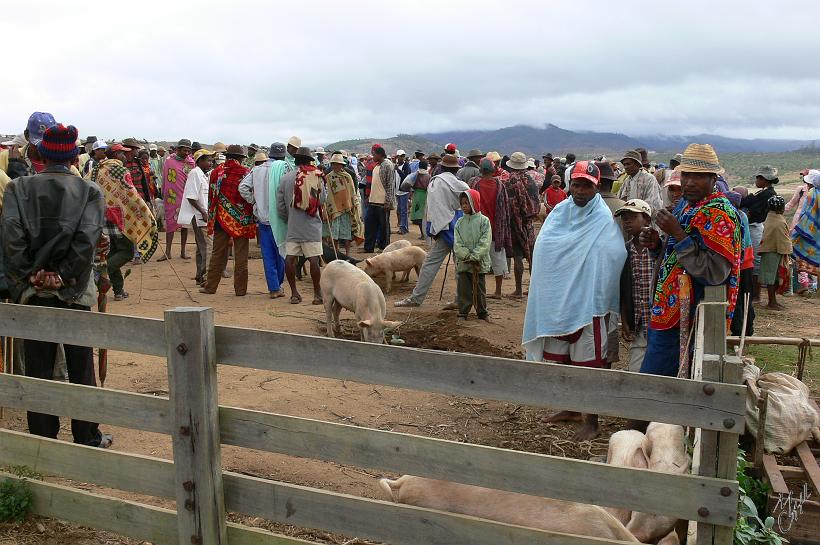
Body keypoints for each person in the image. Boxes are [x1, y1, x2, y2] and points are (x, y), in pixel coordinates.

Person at [1, 123, 113, 448]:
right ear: (75, 155)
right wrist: (64, 276)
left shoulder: (18, 189)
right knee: (81, 365)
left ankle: (43, 437)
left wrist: (30, 277)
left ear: (40, 153)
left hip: (33, 292)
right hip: (76, 290)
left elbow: (12, 239)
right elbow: (86, 240)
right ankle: (87, 436)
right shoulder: (90, 191)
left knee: (38, 366)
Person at [522, 160, 626, 440]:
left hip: (590, 304)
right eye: (576, 185)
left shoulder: (603, 219)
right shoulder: (559, 214)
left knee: (590, 365)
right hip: (558, 301)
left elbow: (613, 256)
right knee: (565, 360)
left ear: (596, 188)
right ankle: (569, 407)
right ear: (570, 185)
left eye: (587, 186)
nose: (580, 191)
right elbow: (545, 251)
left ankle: (592, 420)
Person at [639, 144, 741, 378]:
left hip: (691, 318)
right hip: (668, 309)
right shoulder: (687, 205)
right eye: (686, 175)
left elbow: (715, 272)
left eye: (699, 176)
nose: (690, 182)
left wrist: (678, 235)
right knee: (660, 377)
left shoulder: (719, 213)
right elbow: (675, 258)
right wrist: (656, 244)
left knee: (660, 379)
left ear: (714, 178)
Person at [395, 154, 469, 308]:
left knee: (430, 264)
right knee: (460, 266)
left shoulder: (436, 183)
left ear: (442, 167)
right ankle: (460, 300)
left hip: (443, 228)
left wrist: (434, 228)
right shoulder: (461, 185)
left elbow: (433, 208)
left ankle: (416, 298)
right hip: (460, 228)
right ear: (456, 169)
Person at [90, 143, 160, 300]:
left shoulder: (96, 170)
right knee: (127, 252)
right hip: (120, 219)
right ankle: (100, 272)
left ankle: (118, 290)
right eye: (122, 153)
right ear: (116, 155)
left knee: (114, 252)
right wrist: (145, 213)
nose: (125, 156)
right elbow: (131, 195)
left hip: (102, 218)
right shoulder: (120, 170)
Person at [201, 145, 256, 296]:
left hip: (221, 219)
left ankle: (210, 287)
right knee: (241, 256)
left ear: (226, 156)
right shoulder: (246, 172)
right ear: (240, 158)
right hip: (242, 220)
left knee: (217, 253)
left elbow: (212, 197)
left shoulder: (217, 172)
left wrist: (212, 216)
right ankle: (240, 290)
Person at [276, 146, 327, 305]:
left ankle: (294, 294)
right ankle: (317, 294)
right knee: (313, 260)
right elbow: (322, 200)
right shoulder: (317, 177)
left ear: (296, 160)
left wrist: (288, 219)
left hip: (293, 225)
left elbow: (280, 206)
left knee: (290, 259)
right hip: (312, 224)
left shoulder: (285, 178)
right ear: (309, 160)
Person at [237, 144, 287, 299]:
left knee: (268, 255)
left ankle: (273, 288)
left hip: (263, 219)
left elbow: (242, 187)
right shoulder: (284, 169)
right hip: (279, 218)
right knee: (282, 252)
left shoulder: (257, 170)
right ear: (283, 156)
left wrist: (254, 201)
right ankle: (278, 284)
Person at [615, 199, 654, 372]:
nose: (627, 221)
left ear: (646, 219)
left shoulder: (658, 249)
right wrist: (625, 320)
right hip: (638, 321)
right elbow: (623, 290)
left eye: (632, 217)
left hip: (658, 322)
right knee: (636, 370)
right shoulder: (624, 250)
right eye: (624, 218)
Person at [469, 158, 511, 299]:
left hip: (478, 228)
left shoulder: (474, 184)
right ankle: (498, 291)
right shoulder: (500, 185)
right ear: (493, 171)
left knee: (476, 259)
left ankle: (477, 290)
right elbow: (505, 208)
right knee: (498, 259)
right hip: (496, 228)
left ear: (481, 170)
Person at [740, 165, 779, 302]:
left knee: (755, 260)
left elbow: (753, 210)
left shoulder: (767, 194)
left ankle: (755, 294)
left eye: (758, 178)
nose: (756, 180)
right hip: (754, 227)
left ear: (763, 179)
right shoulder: (765, 193)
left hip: (755, 227)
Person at [504, 151, 540, 298]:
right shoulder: (530, 180)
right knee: (531, 255)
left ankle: (518, 290)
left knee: (518, 256)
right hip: (529, 223)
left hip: (516, 223)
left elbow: (509, 204)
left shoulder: (511, 181)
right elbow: (536, 203)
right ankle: (534, 288)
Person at [454, 190, 491, 322]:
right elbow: (457, 243)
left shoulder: (484, 221)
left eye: (467, 203)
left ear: (474, 203)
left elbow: (485, 242)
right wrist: (465, 255)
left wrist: (475, 256)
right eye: (462, 203)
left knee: (479, 288)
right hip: (464, 263)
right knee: (464, 288)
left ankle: (482, 312)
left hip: (478, 263)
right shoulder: (459, 222)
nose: (464, 206)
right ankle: (463, 313)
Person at [179, 149, 214, 286]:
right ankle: (206, 276)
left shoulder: (203, 174)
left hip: (202, 215)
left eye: (211, 160)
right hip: (200, 216)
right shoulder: (195, 173)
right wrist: (204, 213)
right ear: (199, 161)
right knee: (208, 246)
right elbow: (191, 198)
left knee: (201, 247)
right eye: (208, 160)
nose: (210, 163)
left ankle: (200, 275)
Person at [159, 139, 195, 261]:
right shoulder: (169, 161)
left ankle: (183, 251)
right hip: (172, 197)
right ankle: (168, 252)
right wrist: (164, 192)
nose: (187, 152)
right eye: (184, 150)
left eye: (188, 150)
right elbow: (165, 178)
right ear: (178, 149)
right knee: (170, 224)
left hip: (185, 197)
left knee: (185, 225)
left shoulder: (190, 163)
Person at [324, 153, 364, 256]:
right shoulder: (328, 177)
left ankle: (347, 254)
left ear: (342, 165)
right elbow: (328, 193)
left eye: (338, 164)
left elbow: (352, 192)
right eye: (334, 164)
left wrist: (353, 204)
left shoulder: (347, 177)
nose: (336, 166)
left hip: (346, 208)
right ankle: (336, 253)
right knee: (335, 234)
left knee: (346, 234)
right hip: (334, 209)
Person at [757, 195, 791, 310]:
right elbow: (783, 238)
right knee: (770, 277)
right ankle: (771, 302)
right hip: (773, 250)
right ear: (780, 208)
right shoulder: (778, 221)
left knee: (773, 277)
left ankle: (773, 301)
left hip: (772, 249)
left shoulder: (771, 218)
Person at [790, 170, 820, 295]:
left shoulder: (812, 193)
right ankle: (816, 289)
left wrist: (799, 228)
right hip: (817, 232)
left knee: (800, 254)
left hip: (808, 230)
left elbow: (806, 213)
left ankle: (803, 286)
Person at [363, 144, 395, 252]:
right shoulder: (376, 166)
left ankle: (384, 248)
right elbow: (374, 184)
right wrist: (369, 197)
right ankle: (368, 248)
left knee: (384, 227)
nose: (373, 156)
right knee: (369, 226)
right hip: (373, 201)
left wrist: (388, 202)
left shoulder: (388, 165)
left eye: (374, 154)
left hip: (382, 203)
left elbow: (390, 185)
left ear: (380, 154)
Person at [617, 150, 662, 214]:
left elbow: (652, 202)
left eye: (628, 164)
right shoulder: (627, 181)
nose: (626, 167)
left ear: (638, 164)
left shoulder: (649, 179)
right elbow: (620, 200)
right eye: (624, 165)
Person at [407, 160, 431, 240]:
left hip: (417, 195)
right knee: (424, 215)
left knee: (419, 216)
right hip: (425, 195)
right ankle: (425, 234)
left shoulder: (416, 175)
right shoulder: (428, 176)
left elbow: (411, 185)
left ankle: (422, 234)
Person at [394, 149, 410, 234]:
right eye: (400, 156)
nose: (402, 158)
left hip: (404, 191)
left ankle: (404, 228)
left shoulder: (406, 165)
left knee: (403, 210)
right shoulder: (397, 166)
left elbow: (405, 177)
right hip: (398, 191)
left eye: (403, 156)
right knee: (400, 210)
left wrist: (398, 170)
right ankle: (402, 226)